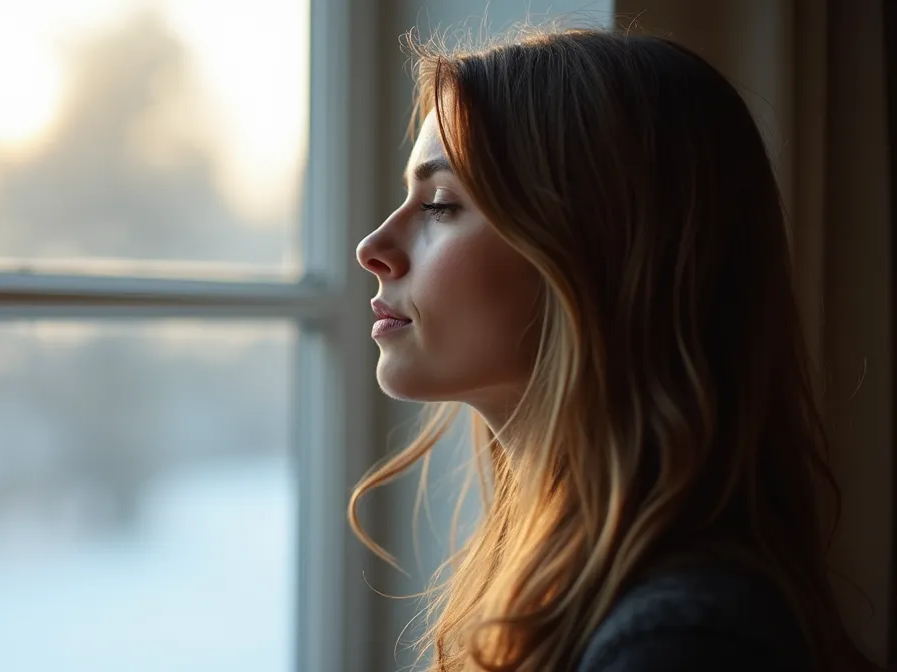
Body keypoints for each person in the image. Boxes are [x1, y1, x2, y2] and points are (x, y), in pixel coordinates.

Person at [351, 28, 879, 671]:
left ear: (599, 255)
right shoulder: (601, 600)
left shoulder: (681, 648)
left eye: (439, 205)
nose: (372, 246)